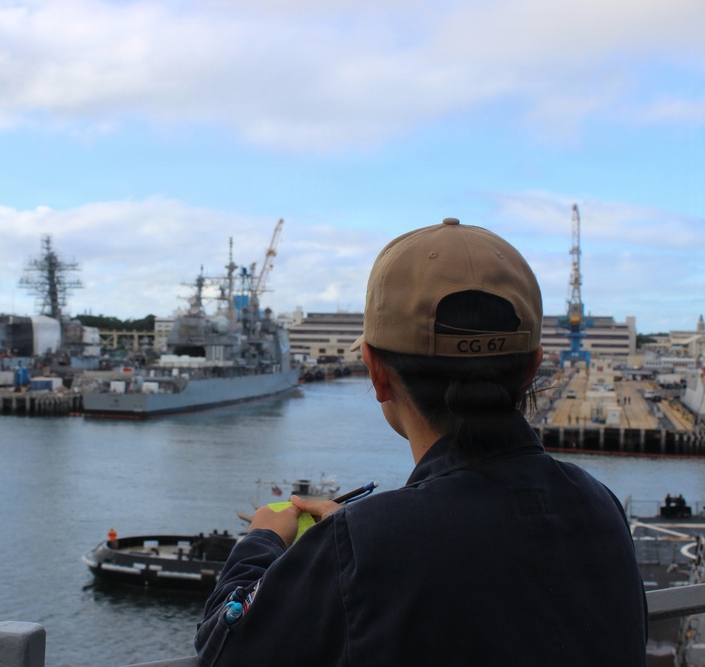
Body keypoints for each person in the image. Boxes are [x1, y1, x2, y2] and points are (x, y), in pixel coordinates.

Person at [195, 218, 647, 666]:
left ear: (376, 372)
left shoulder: (366, 543)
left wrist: (261, 541)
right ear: (532, 369)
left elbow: (223, 649)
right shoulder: (601, 506)